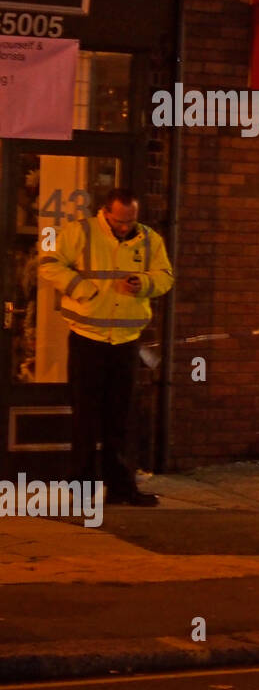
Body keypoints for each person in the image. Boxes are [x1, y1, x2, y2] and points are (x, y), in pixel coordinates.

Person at [38, 188, 174, 506]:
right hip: (87, 336)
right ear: (105, 212)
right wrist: (84, 290)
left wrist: (143, 283)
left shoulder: (150, 239)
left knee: (120, 418)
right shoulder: (81, 232)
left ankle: (121, 488)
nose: (125, 227)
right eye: (119, 221)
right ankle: (82, 489)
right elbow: (49, 263)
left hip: (125, 340)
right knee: (85, 417)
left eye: (130, 221)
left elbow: (166, 276)